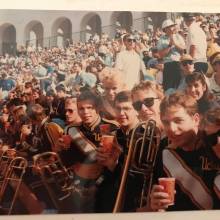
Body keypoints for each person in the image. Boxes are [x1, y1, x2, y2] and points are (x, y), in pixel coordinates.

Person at [149, 92, 220, 211]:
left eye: (178, 120)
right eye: (166, 122)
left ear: (196, 119)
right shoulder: (164, 149)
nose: (171, 129)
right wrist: (155, 203)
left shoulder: (213, 144)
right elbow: (156, 201)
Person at [56, 90, 120, 213]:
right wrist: (61, 149)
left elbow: (116, 164)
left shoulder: (112, 127)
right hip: (79, 186)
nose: (85, 112)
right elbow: (67, 162)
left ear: (97, 108)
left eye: (89, 107)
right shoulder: (71, 130)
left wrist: (97, 185)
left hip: (106, 186)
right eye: (81, 108)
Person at [157, 19, 185, 92]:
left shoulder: (178, 37)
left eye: (173, 26)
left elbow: (183, 50)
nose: (173, 27)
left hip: (179, 63)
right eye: (170, 26)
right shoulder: (161, 39)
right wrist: (169, 45)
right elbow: (161, 54)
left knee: (180, 86)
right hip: (168, 65)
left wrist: (175, 44)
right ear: (165, 29)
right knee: (169, 87)